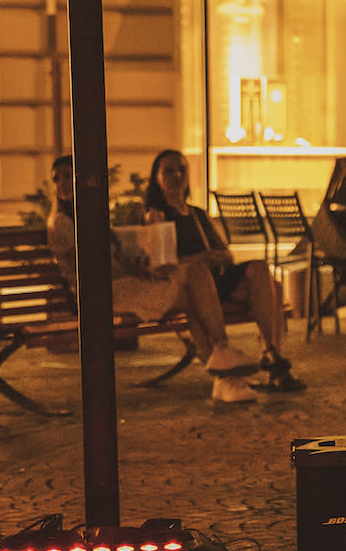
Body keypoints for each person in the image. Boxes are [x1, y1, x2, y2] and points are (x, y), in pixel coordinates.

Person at [46, 155, 259, 403]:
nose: (62, 184)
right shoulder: (61, 222)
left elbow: (114, 260)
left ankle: (224, 375)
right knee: (195, 279)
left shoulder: (87, 216)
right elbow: (87, 266)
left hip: (120, 285)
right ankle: (223, 358)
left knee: (194, 290)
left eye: (68, 177)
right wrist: (119, 253)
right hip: (99, 294)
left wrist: (137, 263)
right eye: (56, 179)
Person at [143, 149, 305, 393]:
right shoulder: (157, 216)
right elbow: (162, 262)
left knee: (261, 270)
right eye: (169, 171)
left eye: (182, 170)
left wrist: (212, 257)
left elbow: (226, 254)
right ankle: (272, 366)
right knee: (275, 288)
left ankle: (270, 351)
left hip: (218, 276)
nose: (177, 175)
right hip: (193, 284)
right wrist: (200, 258)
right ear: (156, 178)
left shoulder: (197, 214)